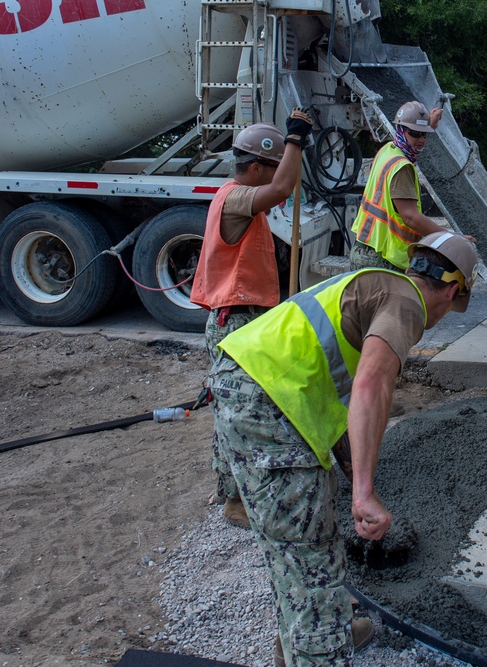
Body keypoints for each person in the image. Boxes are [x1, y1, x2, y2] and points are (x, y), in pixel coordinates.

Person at [207, 231, 479, 667]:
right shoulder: (408, 304)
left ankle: (306, 634)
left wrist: (352, 465)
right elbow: (372, 384)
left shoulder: (372, 283)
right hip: (266, 404)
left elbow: (329, 376)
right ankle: (316, 643)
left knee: (299, 540)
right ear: (451, 291)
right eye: (453, 305)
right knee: (310, 549)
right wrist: (364, 492)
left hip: (249, 387)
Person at [190, 109, 313, 528]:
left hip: (245, 320)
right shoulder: (235, 197)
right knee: (242, 414)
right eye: (275, 164)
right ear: (256, 166)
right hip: (234, 323)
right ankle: (237, 503)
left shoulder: (239, 200)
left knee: (233, 411)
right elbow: (282, 188)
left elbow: (281, 184)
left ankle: (232, 494)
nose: (282, 173)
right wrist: (296, 138)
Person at [350, 100, 470, 271]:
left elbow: (411, 133)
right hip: (383, 260)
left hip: (365, 248)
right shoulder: (402, 168)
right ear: (401, 131)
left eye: (424, 134)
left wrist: (427, 122)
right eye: (415, 133)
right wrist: (449, 239)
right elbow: (410, 217)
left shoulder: (388, 150)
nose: (421, 140)